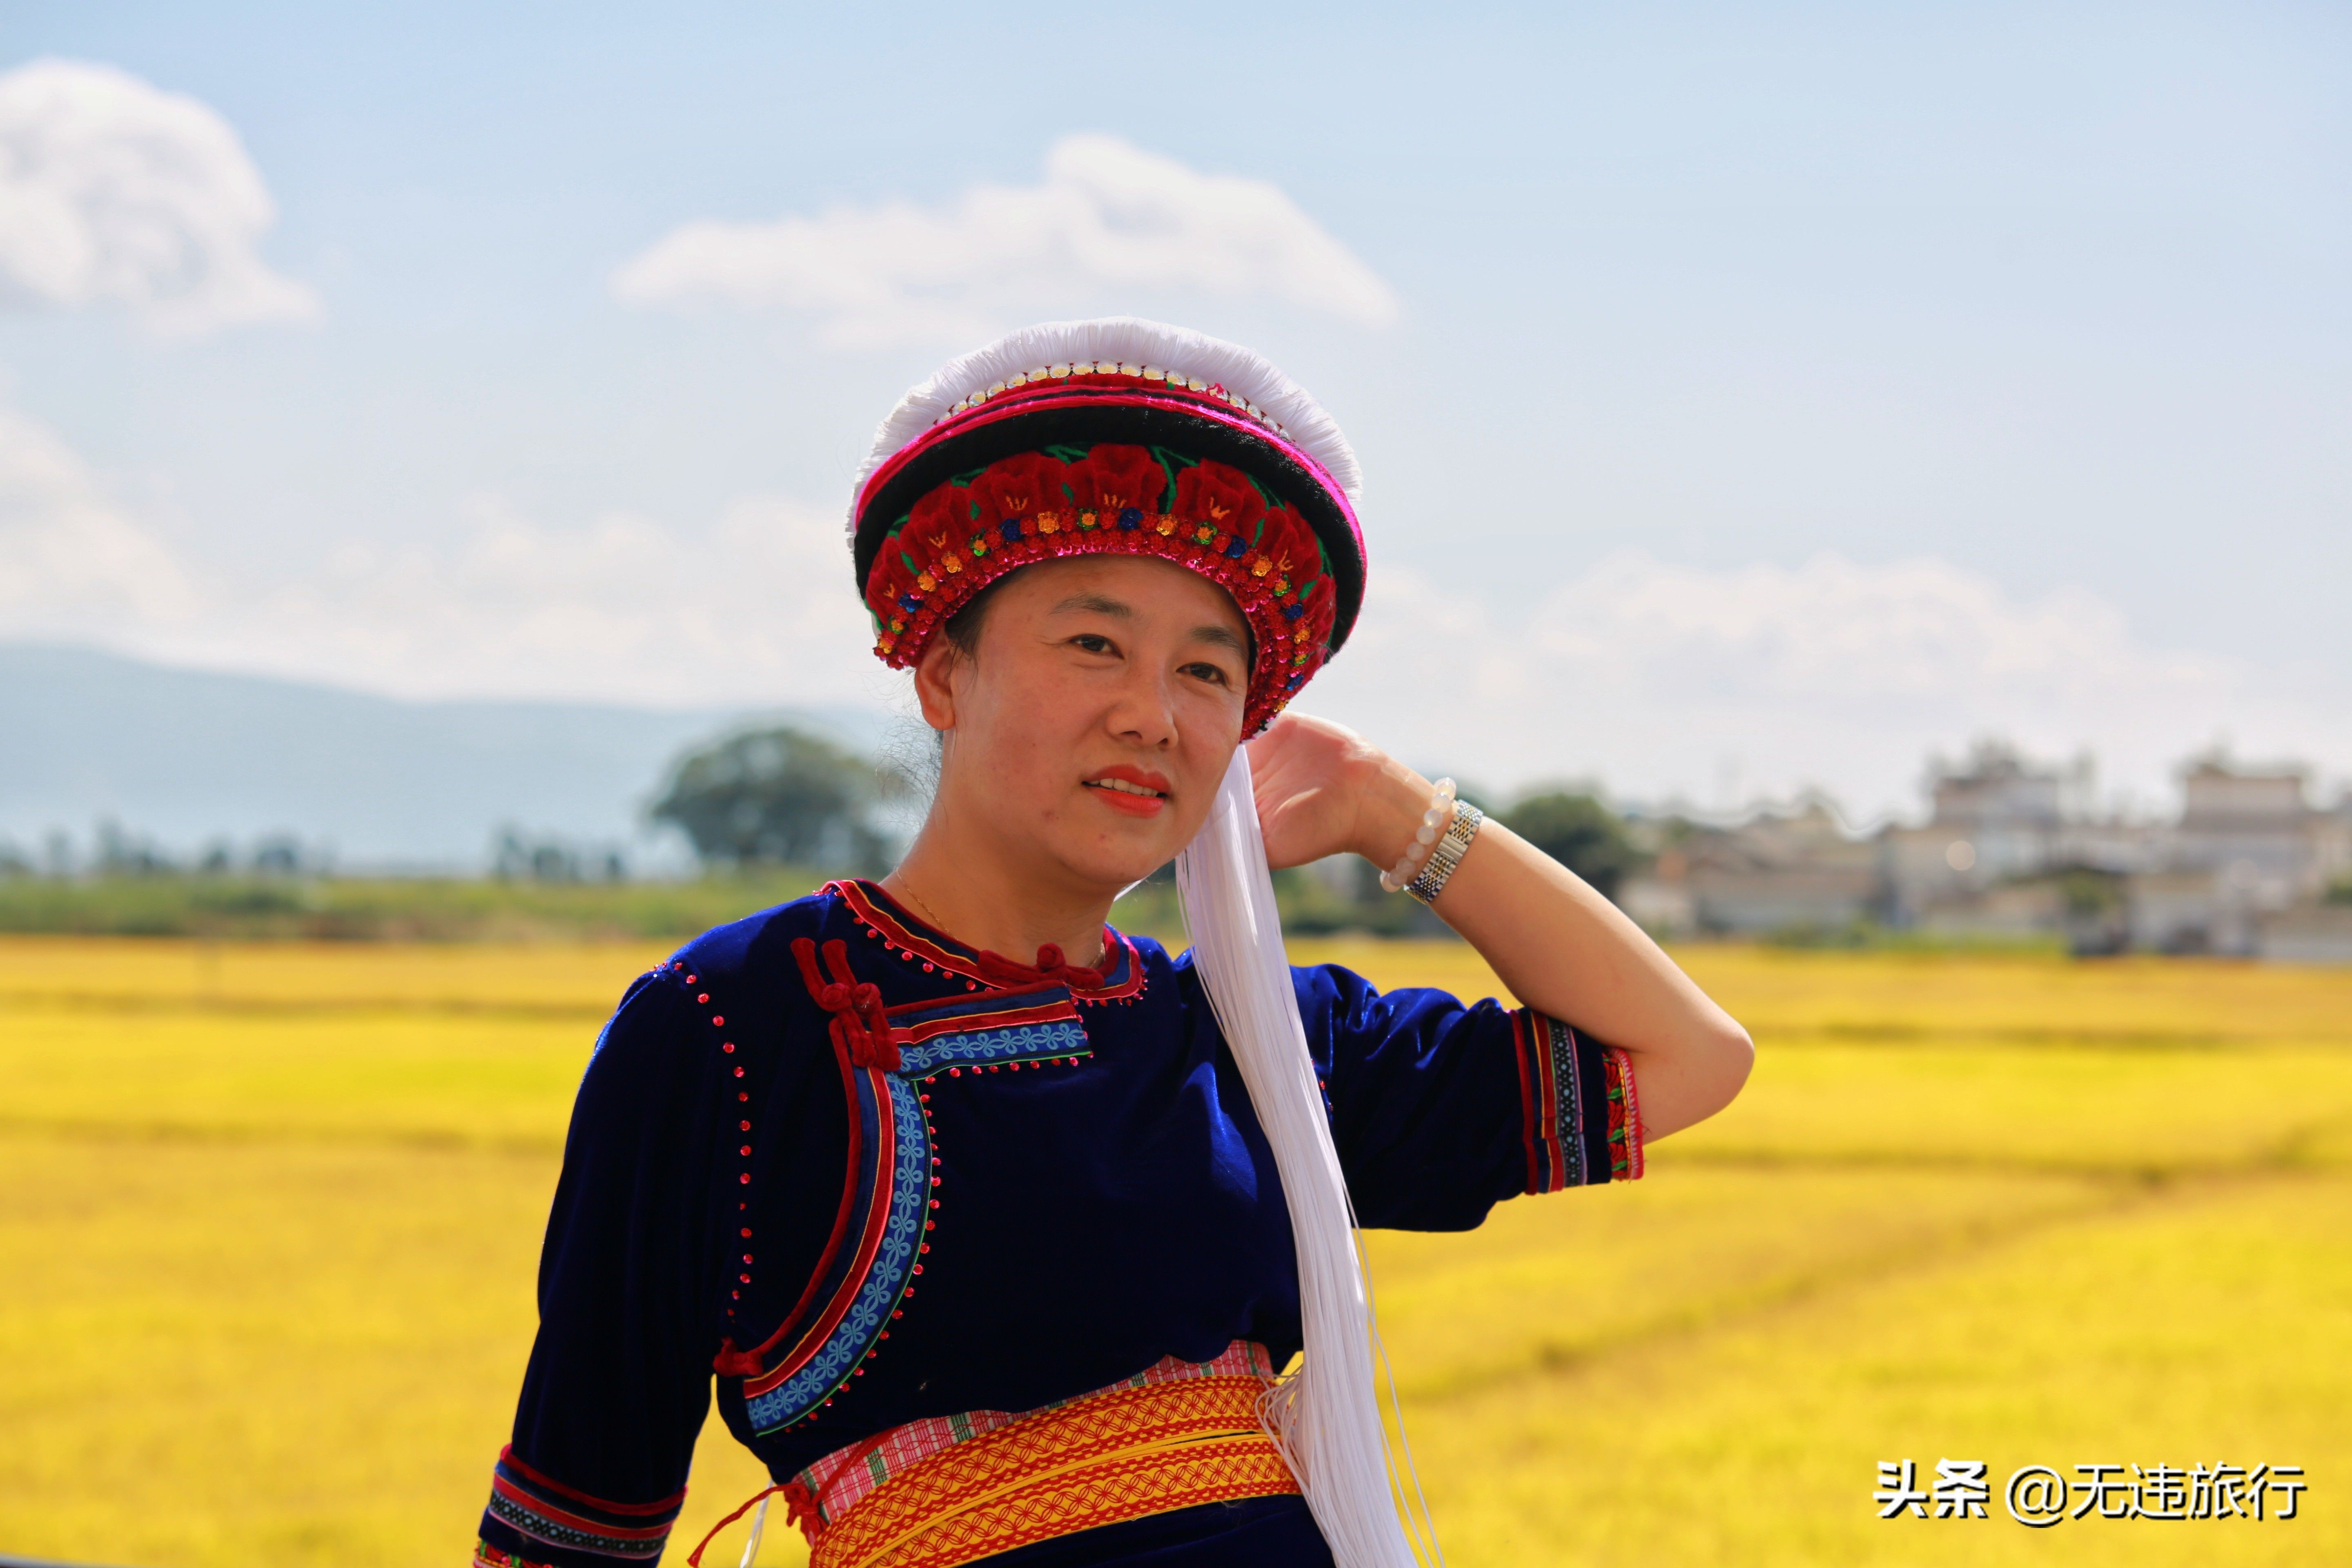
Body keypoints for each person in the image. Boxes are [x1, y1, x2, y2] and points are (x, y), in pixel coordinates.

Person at [472, 320, 1753, 1568]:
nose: (1153, 715)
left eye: (1208, 674)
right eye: (1094, 645)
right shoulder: (735, 1029)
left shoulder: (1255, 1039)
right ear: (942, 675)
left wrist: (1389, 808)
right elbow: (574, 1529)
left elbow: (1689, 1057)